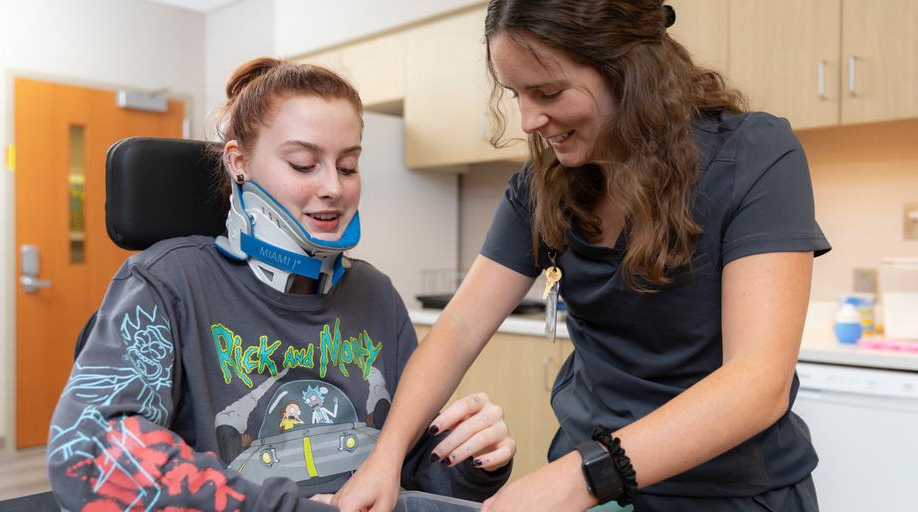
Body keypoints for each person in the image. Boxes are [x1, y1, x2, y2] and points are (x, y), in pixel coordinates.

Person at [334, 1, 830, 511]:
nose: (528, 120)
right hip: (594, 487)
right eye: (516, 94)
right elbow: (458, 329)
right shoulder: (542, 186)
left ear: (627, 72)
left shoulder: (755, 156)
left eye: (547, 92)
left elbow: (756, 383)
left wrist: (580, 478)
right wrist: (385, 458)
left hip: (726, 494)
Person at [46, 57, 515, 512]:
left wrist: (470, 461)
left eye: (348, 166)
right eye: (303, 164)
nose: (333, 186)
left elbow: (402, 473)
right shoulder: (166, 283)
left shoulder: (377, 295)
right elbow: (89, 455)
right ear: (238, 164)